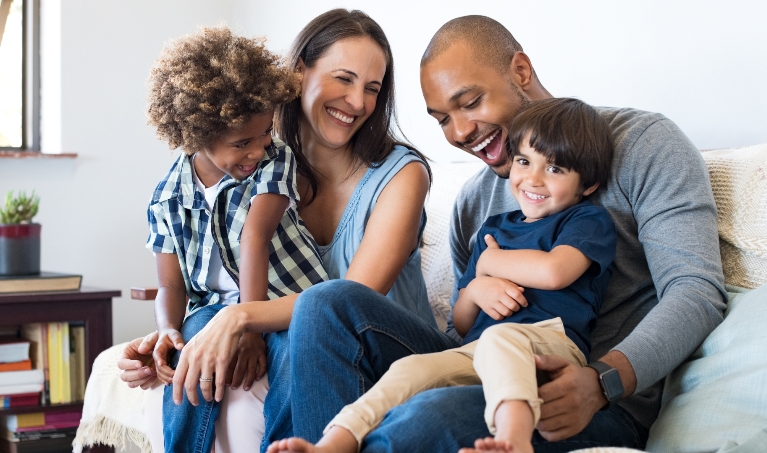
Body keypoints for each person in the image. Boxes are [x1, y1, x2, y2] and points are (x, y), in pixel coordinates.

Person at [279, 15, 727, 452]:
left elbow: (696, 291)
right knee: (326, 303)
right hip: (483, 367)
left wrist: (602, 381)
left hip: (584, 394)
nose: (460, 132)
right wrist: (476, 290)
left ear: (521, 71)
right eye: (442, 119)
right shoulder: (475, 202)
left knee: (425, 417)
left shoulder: (643, 143)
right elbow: (463, 330)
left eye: (471, 103)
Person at [117, 9, 449, 453]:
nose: (357, 102)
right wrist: (168, 336)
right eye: (343, 79)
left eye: (372, 88)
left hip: (381, 350)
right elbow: (208, 277)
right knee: (205, 366)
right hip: (294, 336)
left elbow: (346, 303)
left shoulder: (401, 176)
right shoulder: (252, 161)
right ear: (297, 74)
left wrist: (240, 318)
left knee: (304, 330)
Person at [268, 97, 618, 453]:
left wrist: (489, 265)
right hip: (479, 350)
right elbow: (463, 323)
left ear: (587, 185)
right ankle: (331, 444)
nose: (533, 179)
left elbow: (555, 271)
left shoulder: (585, 220)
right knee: (409, 371)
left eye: (555, 169)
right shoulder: (493, 229)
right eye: (525, 162)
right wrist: (477, 289)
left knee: (502, 340)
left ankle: (513, 441)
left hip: (549, 347)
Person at [143, 26, 328, 453]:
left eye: (265, 134)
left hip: (285, 300)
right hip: (212, 309)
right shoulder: (167, 197)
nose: (258, 150)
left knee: (294, 356)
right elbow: (171, 285)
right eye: (242, 142)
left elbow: (254, 239)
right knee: (189, 351)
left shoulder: (274, 159)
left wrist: (250, 328)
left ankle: (287, 446)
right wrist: (167, 330)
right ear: (195, 136)